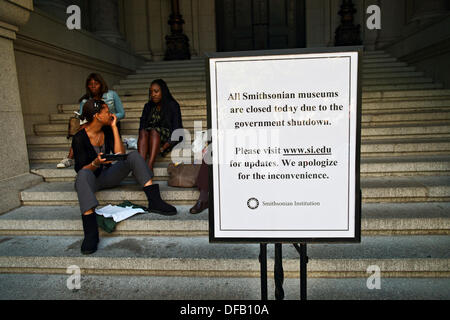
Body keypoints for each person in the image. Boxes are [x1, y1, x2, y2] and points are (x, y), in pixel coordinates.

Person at [72, 99, 176, 255]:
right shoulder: (79, 138)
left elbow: (120, 154)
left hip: (108, 175)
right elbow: (81, 168)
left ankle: (155, 200)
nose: (111, 114)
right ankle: (91, 233)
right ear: (97, 116)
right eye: (107, 111)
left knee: (133, 156)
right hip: (90, 179)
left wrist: (114, 128)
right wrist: (95, 162)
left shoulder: (107, 130)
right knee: (82, 175)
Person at [57, 73, 125, 168]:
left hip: (109, 124)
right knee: (82, 129)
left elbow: (122, 113)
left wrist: (109, 118)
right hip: (94, 125)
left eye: (96, 83)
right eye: (90, 84)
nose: (93, 86)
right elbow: (82, 117)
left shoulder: (112, 95)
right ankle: (70, 158)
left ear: (101, 84)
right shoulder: (85, 100)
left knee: (118, 155)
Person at [138, 79, 183, 171]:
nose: (153, 94)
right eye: (151, 92)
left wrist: (163, 147)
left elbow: (178, 130)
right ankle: (141, 165)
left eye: (156, 91)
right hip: (149, 136)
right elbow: (142, 125)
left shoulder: (173, 105)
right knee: (143, 131)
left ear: (163, 91)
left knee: (154, 131)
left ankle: (150, 165)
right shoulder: (148, 106)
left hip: (167, 136)